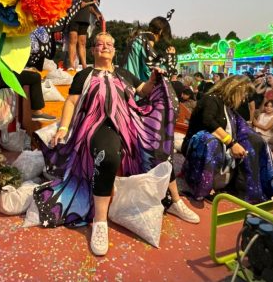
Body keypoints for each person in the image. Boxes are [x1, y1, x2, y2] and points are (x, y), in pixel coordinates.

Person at [33, 32, 198, 256]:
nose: (105, 47)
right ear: (92, 50)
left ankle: (176, 201)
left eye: (109, 44)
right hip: (98, 126)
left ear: (114, 50)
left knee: (157, 147)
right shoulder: (84, 74)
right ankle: (100, 222)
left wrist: (153, 79)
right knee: (107, 155)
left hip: (131, 125)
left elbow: (144, 91)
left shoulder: (124, 73)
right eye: (99, 44)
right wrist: (63, 127)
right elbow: (71, 101)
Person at [122, 12, 200, 225]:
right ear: (161, 32)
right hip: (143, 105)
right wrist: (171, 57)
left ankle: (165, 197)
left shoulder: (134, 42)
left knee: (155, 150)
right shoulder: (145, 43)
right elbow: (158, 71)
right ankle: (172, 199)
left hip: (134, 101)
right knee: (160, 150)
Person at [182, 75, 273, 203]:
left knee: (256, 141)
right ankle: (203, 188)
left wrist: (257, 141)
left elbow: (242, 128)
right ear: (234, 90)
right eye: (243, 94)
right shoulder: (210, 99)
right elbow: (209, 122)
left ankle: (247, 186)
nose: (244, 99)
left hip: (220, 146)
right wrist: (232, 143)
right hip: (198, 146)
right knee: (210, 141)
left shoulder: (227, 105)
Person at [67, 0, 101, 70]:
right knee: (73, 40)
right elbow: (67, 0)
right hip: (74, 17)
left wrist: (96, 14)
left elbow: (89, 6)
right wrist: (77, 3)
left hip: (84, 19)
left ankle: (84, 66)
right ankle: (71, 65)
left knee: (82, 42)